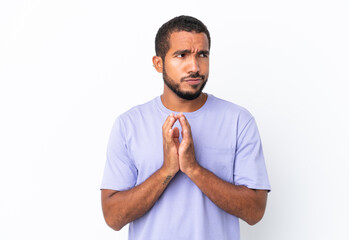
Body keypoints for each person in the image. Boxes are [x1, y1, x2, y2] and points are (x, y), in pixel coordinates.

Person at [101, 15, 271, 240]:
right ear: (158, 63)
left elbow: (255, 211)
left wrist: (193, 168)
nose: (195, 66)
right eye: (181, 55)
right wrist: (167, 171)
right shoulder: (129, 124)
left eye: (202, 55)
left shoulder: (239, 120)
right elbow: (113, 218)